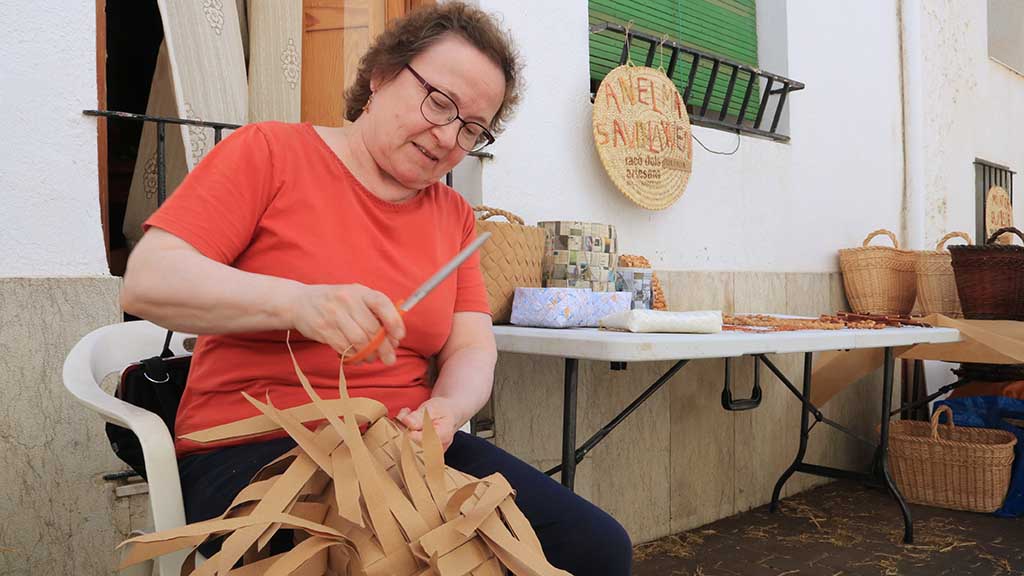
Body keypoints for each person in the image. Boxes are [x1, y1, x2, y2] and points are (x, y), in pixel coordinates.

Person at [120, 3, 632, 574]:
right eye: (439, 102)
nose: (447, 136)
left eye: (471, 128)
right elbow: (148, 281)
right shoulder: (269, 152)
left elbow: (470, 347)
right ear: (382, 75)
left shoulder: (453, 217)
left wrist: (448, 408)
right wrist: (298, 303)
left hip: (404, 446)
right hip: (255, 449)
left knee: (598, 548)